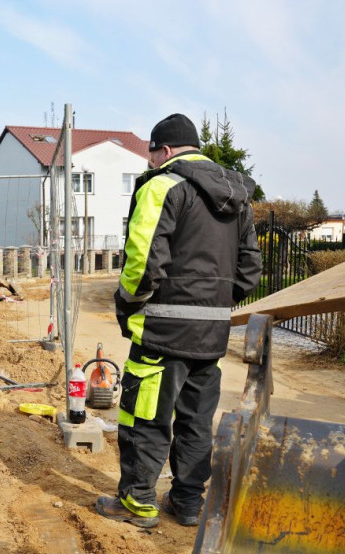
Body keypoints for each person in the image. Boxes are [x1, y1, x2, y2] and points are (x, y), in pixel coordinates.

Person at [96, 113, 262, 529]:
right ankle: (187, 503)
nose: (149, 163)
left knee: (144, 416)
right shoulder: (236, 195)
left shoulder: (163, 186)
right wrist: (213, 306)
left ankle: (137, 502)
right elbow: (249, 271)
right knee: (195, 420)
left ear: (164, 150)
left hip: (163, 330)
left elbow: (142, 261)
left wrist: (129, 305)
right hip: (212, 335)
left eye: (151, 155)